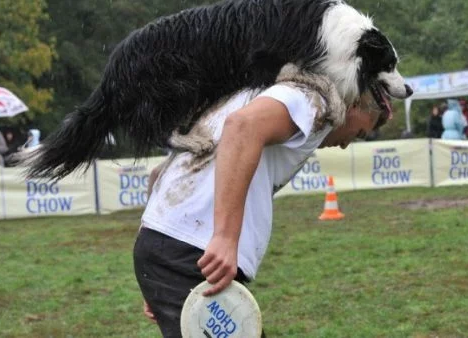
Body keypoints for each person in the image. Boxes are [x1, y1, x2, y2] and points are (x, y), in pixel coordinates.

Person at [133, 68, 392, 337]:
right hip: (189, 255)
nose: (346, 145)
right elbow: (242, 127)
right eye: (360, 132)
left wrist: (153, 267)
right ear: (354, 102)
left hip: (176, 253)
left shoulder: (262, 95)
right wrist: (225, 237)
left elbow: (160, 173)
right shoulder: (313, 100)